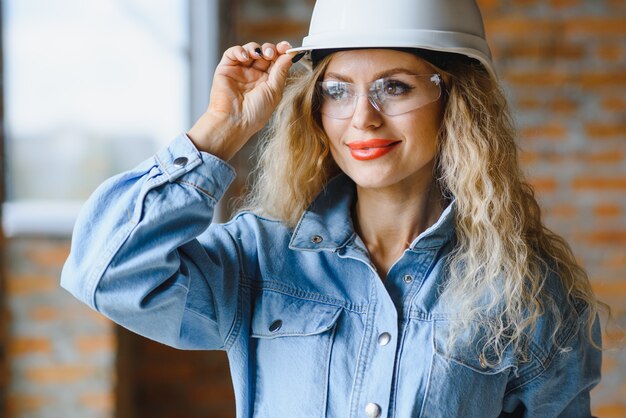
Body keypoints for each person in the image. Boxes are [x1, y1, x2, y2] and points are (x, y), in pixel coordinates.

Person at [61, 0, 604, 416]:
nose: (362, 119)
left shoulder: (528, 290)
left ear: (455, 102)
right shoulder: (261, 258)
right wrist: (220, 132)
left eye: (394, 87)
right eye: (338, 91)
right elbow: (106, 273)